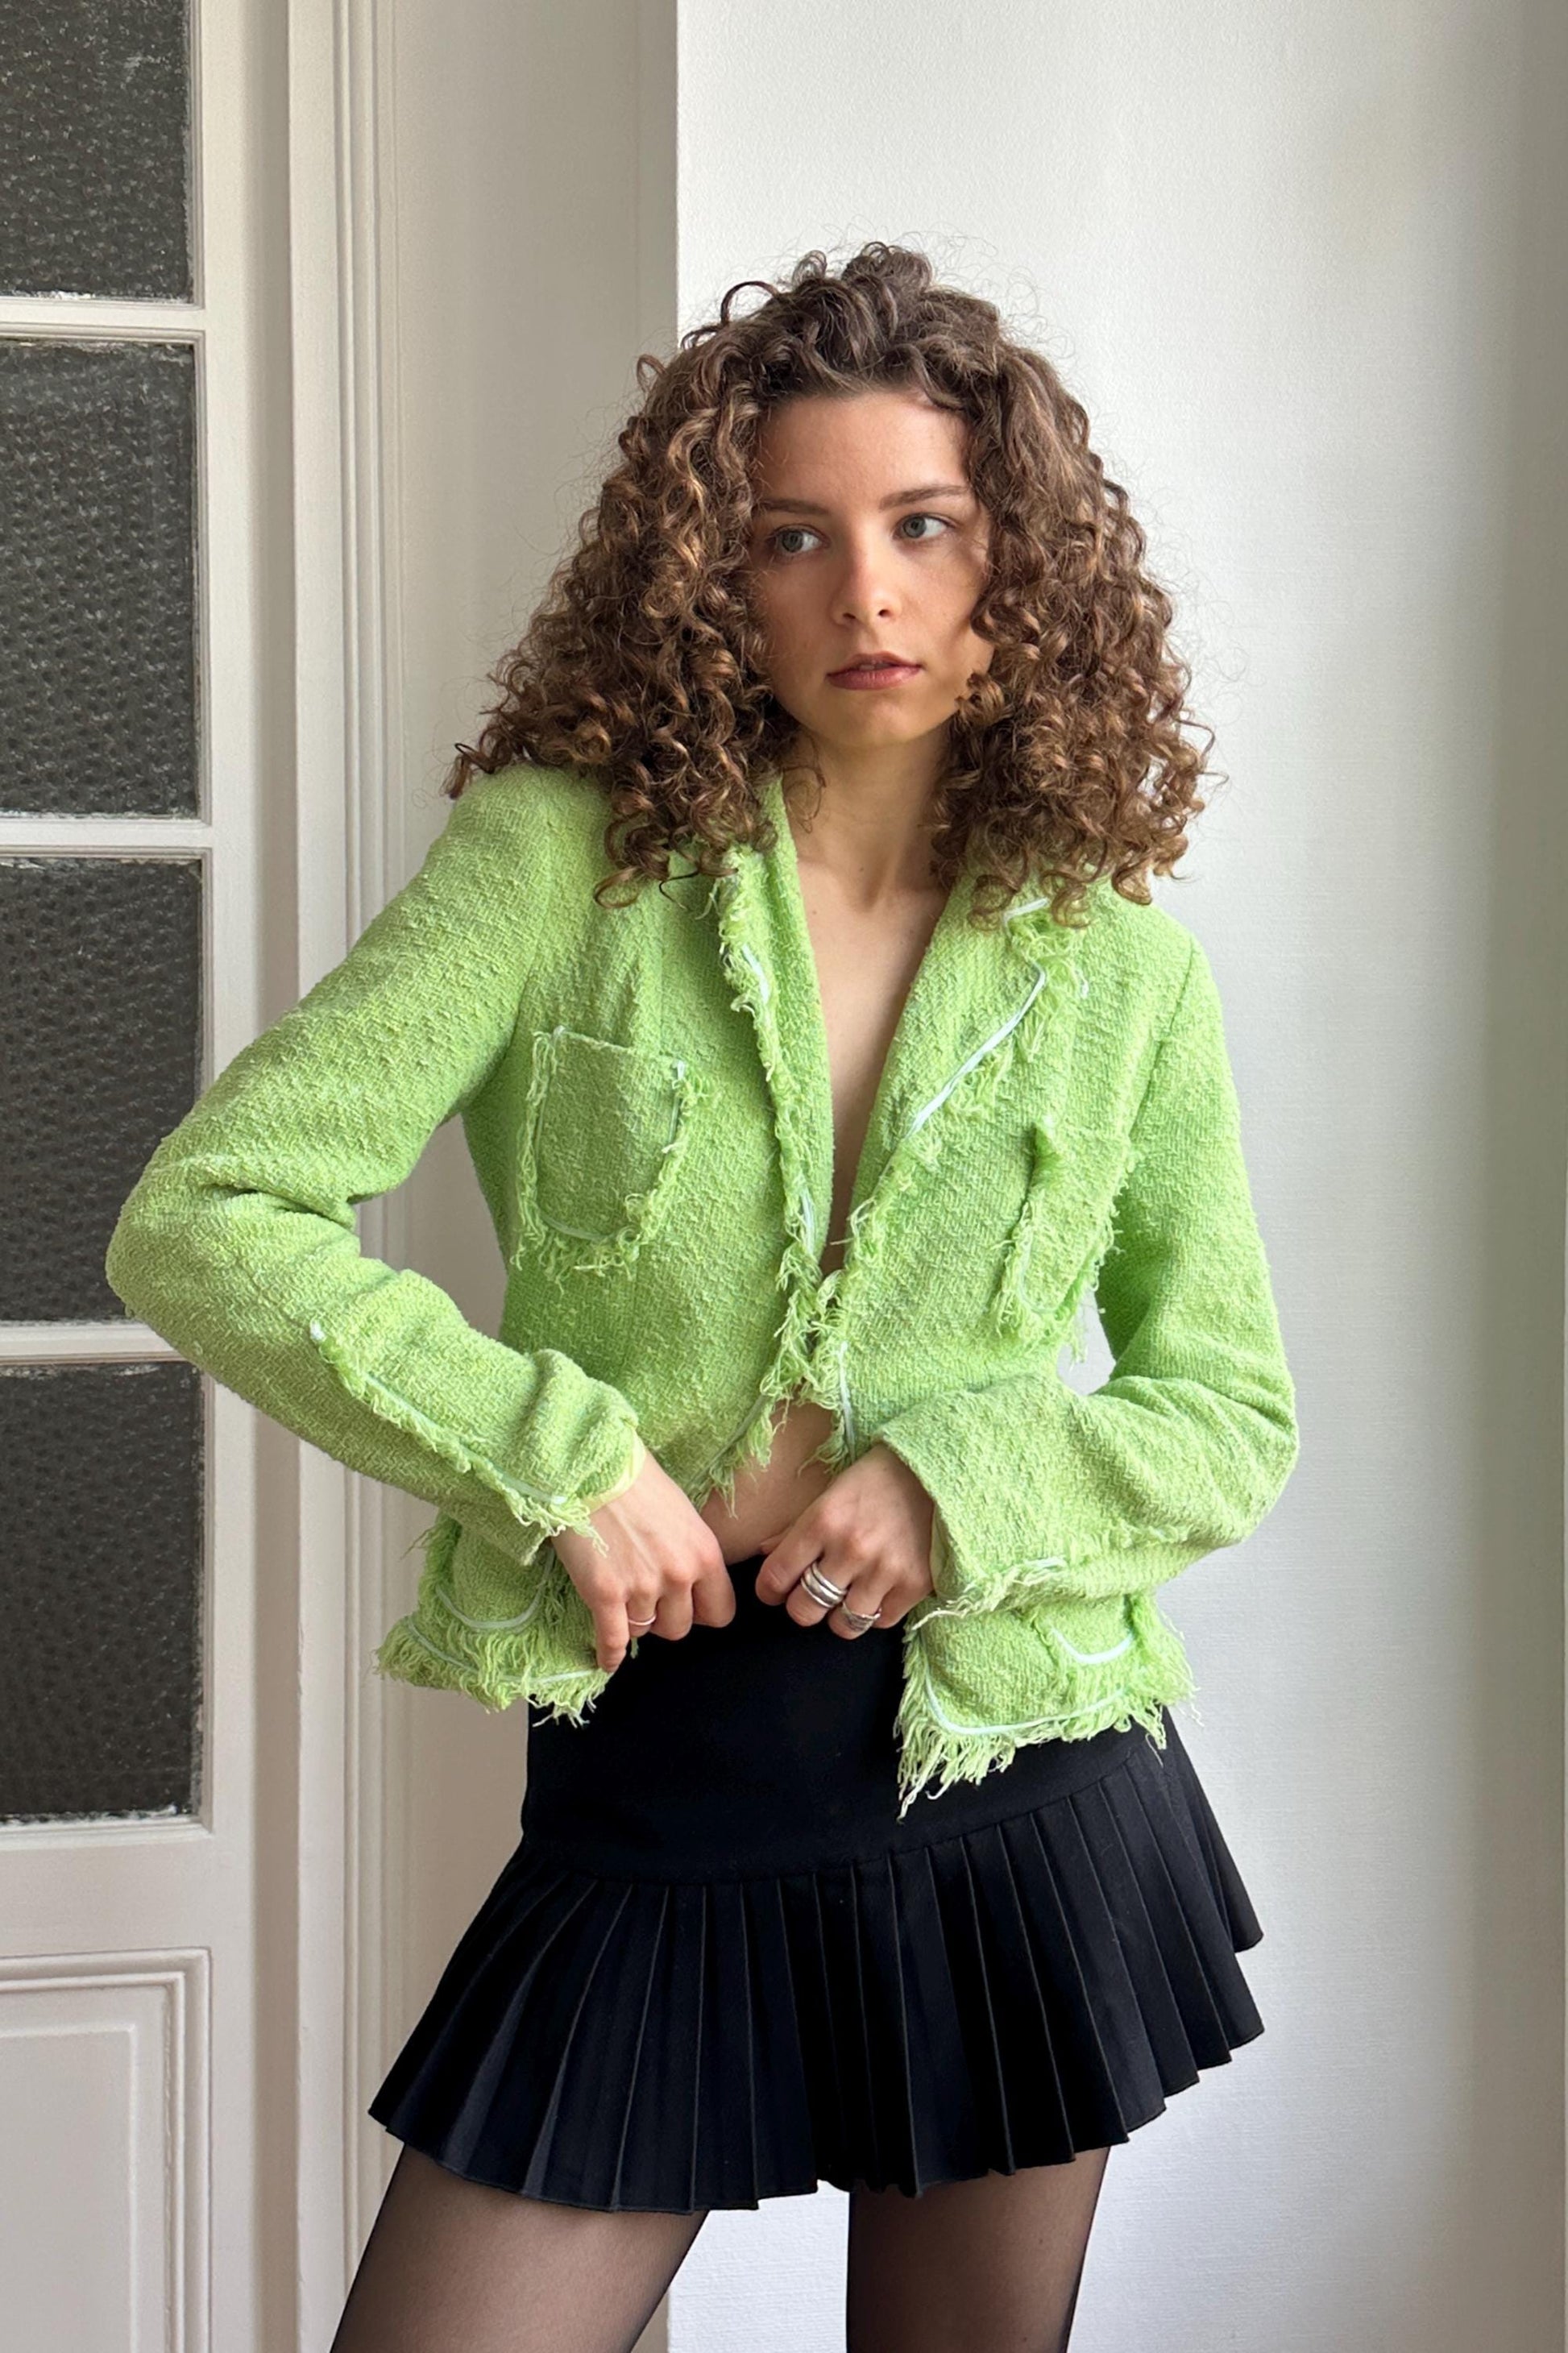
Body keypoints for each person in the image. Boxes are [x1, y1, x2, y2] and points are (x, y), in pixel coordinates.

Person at [106, 243, 1297, 2352]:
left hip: (1018, 1789)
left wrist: (958, 1485)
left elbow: (1224, 1410)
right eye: (794, 537)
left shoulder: (1116, 959)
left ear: (1013, 556)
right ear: (710, 575)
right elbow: (212, 1213)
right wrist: (546, 1454)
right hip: (668, 1779)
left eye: (923, 526)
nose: (870, 597)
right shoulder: (561, 859)